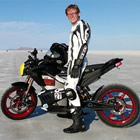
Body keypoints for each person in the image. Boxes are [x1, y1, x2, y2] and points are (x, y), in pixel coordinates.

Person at [63, 4, 91, 133]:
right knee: (68, 87)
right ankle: (72, 111)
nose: (71, 15)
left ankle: (78, 123)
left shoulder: (82, 25)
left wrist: (77, 64)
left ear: (79, 13)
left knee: (70, 89)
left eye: (74, 13)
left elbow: (84, 46)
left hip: (77, 63)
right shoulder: (74, 27)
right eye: (69, 14)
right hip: (73, 62)